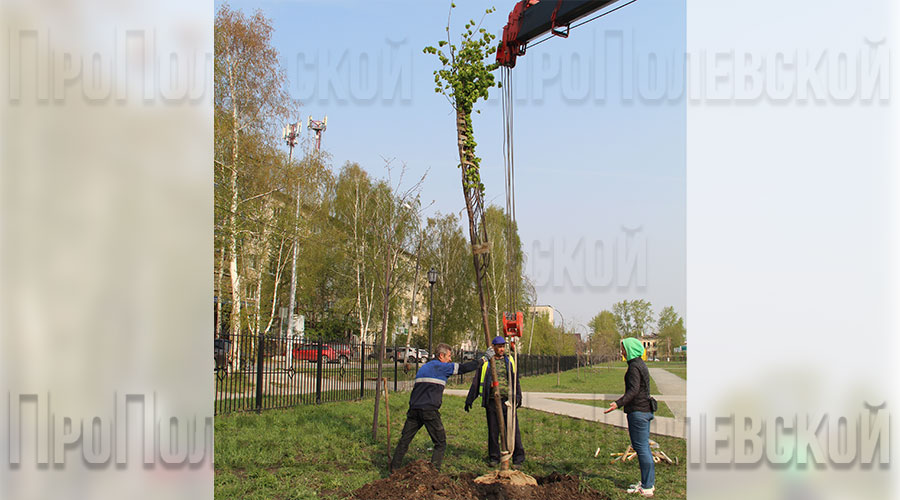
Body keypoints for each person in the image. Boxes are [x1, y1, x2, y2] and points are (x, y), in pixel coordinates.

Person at [390, 343, 483, 472]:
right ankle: (434, 473)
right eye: (449, 356)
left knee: (404, 440)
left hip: (414, 409)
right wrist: (483, 360)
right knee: (440, 443)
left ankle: (394, 469)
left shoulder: (424, 367)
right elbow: (464, 368)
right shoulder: (441, 367)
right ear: (441, 356)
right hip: (429, 410)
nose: (450, 359)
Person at [605, 337, 656, 497]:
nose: (622, 352)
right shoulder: (640, 364)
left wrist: (617, 403)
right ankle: (647, 483)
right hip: (643, 410)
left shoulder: (634, 367)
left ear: (630, 350)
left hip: (638, 412)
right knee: (642, 447)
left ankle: (647, 487)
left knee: (641, 448)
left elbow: (633, 391)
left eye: (623, 349)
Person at [464, 335, 525, 467]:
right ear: (493, 347)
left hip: (507, 401)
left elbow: (515, 381)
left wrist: (518, 396)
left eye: (503, 347)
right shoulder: (486, 363)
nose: (502, 349)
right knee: (493, 431)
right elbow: (476, 382)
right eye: (499, 347)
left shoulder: (510, 361)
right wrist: (470, 399)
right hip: (492, 401)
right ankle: (494, 457)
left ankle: (518, 458)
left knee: (513, 430)